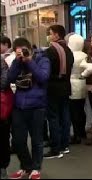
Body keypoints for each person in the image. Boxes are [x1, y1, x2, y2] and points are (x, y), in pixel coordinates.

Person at [8, 37, 50, 179]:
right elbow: (10, 78)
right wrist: (17, 62)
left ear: (29, 49)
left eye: (23, 51)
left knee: (37, 139)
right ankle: (26, 166)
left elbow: (43, 77)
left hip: (37, 105)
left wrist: (29, 61)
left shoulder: (42, 59)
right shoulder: (17, 61)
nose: (20, 54)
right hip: (19, 105)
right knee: (17, 140)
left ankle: (36, 168)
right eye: (17, 52)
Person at [44, 25, 74, 159]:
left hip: (53, 88)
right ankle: (64, 144)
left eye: (50, 34)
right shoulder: (69, 51)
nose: (49, 36)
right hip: (66, 87)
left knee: (53, 117)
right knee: (65, 116)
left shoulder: (50, 51)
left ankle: (55, 148)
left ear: (56, 35)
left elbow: (46, 71)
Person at [67, 34, 88, 144]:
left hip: (72, 83)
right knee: (81, 110)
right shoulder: (84, 55)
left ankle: (76, 134)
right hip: (82, 83)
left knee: (73, 111)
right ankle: (82, 131)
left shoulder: (70, 55)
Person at [0, 55, 11, 179]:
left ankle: (3, 168)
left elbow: (4, 81)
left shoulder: (1, 62)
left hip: (2, 109)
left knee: (3, 139)